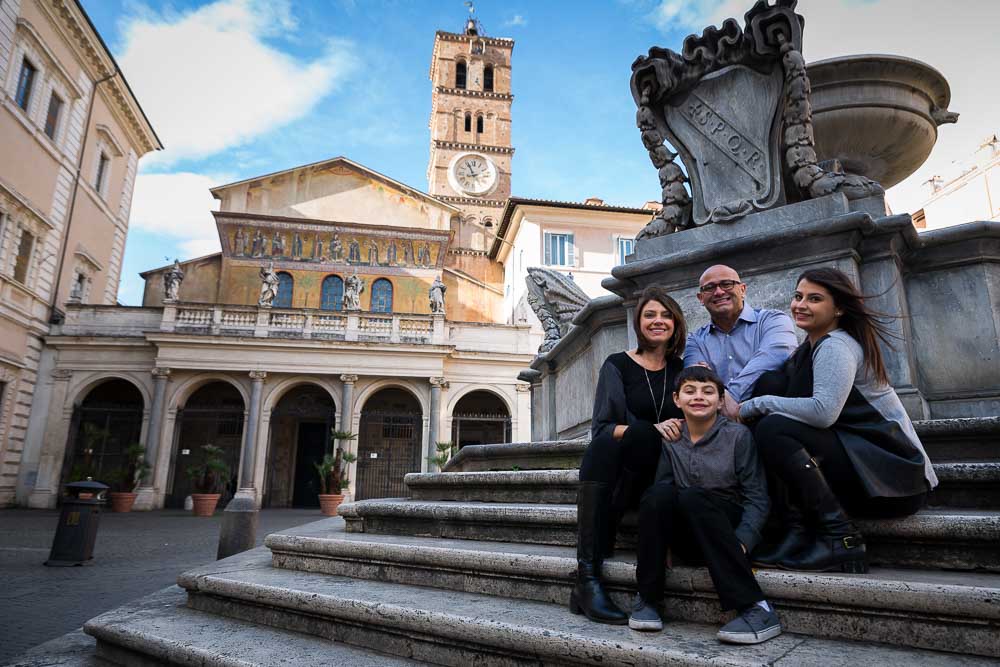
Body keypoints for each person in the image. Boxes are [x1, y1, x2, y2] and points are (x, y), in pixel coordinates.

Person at [740, 267, 938, 573]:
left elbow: (823, 412)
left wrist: (754, 405)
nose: (800, 304)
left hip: (898, 476)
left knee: (773, 425)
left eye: (814, 299)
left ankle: (841, 538)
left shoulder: (836, 345)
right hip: (871, 469)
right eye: (798, 296)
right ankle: (797, 530)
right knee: (771, 385)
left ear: (839, 308)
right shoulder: (809, 348)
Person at [630, 366, 779, 644]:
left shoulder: (738, 436)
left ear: (721, 401)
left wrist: (743, 540)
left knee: (691, 496)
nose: (699, 397)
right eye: (690, 391)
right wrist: (666, 543)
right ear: (677, 399)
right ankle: (648, 598)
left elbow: (757, 497)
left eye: (708, 391)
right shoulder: (672, 439)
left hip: (727, 531)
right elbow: (661, 495)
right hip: (690, 532)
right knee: (658, 494)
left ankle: (756, 607)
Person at [571, 286, 687, 625]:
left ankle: (604, 540)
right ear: (638, 323)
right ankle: (587, 578)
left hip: (661, 472)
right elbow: (603, 427)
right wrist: (652, 428)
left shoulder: (681, 369)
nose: (658, 321)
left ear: (676, 323)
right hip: (623, 467)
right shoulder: (617, 364)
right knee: (619, 440)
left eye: (665, 315)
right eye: (650, 314)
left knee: (644, 438)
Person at [684, 265, 798, 419]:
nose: (719, 292)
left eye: (726, 284)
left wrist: (731, 397)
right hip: (720, 422)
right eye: (709, 287)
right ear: (701, 298)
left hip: (770, 417)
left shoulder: (772, 320)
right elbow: (695, 380)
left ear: (742, 289)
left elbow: (774, 355)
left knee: (772, 380)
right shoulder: (695, 340)